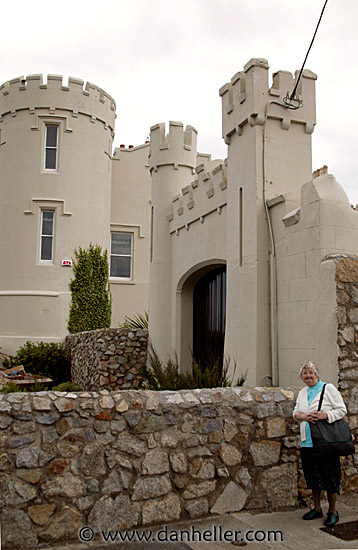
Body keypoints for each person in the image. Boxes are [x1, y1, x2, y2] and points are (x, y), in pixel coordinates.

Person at [293, 360, 347, 527]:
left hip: (326, 442)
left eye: (311, 373)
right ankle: (317, 508)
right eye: (305, 373)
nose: (308, 376)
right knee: (312, 476)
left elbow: (342, 410)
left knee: (330, 476)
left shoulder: (328, 389)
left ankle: (332, 511)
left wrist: (325, 415)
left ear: (316, 374)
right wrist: (303, 417)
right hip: (308, 442)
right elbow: (296, 412)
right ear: (301, 376)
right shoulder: (302, 392)